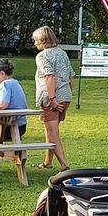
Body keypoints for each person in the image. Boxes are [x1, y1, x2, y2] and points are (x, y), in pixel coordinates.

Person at [33, 25, 72, 171]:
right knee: (51, 130)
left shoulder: (42, 56)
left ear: (42, 40)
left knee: (52, 132)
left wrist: (52, 99)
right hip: (66, 95)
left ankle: (64, 165)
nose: (34, 43)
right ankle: (47, 161)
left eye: (35, 40)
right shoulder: (62, 53)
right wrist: (67, 95)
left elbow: (49, 76)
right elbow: (70, 76)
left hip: (51, 98)